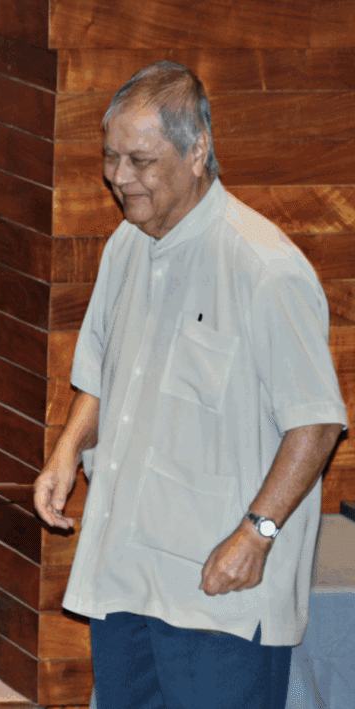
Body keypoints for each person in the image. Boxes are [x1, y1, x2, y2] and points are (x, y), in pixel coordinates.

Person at [33, 61, 347, 709]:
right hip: (124, 575)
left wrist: (255, 533)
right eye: (111, 157)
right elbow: (96, 376)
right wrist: (65, 454)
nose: (119, 178)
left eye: (141, 161)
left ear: (198, 150)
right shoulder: (123, 246)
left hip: (219, 594)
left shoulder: (264, 267)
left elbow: (315, 423)